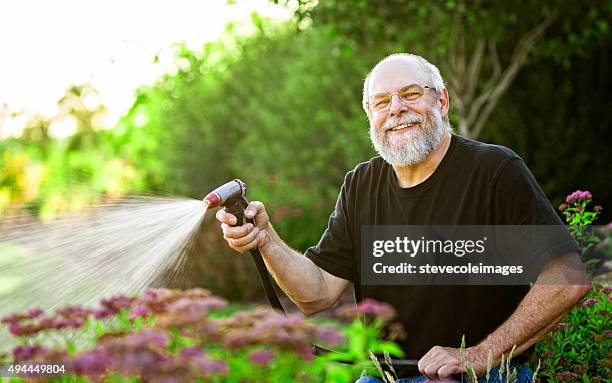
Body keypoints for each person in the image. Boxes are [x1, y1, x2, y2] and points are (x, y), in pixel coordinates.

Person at [215, 53, 590, 382]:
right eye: (381, 102)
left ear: (441, 101)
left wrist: (480, 354)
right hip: (383, 376)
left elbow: (567, 279)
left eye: (410, 94)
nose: (395, 109)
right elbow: (317, 294)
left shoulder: (494, 170)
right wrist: (267, 241)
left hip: (480, 376)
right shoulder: (362, 183)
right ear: (370, 116)